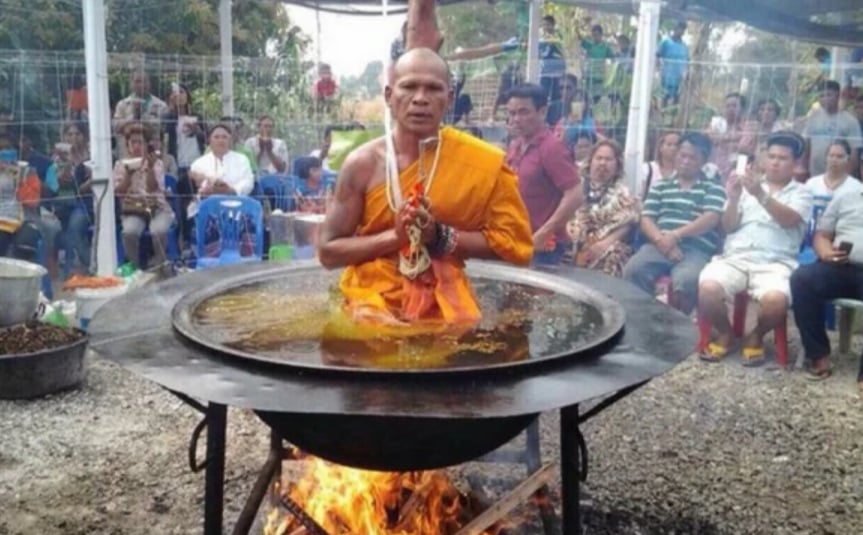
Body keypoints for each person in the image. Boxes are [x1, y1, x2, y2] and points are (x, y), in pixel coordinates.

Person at [317, 48, 533, 325]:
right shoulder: (362, 164)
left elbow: (515, 246)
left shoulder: (481, 162)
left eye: (433, 89)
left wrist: (440, 236)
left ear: (449, 98)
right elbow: (328, 253)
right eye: (408, 87)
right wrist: (396, 238)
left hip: (445, 304)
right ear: (389, 96)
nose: (420, 99)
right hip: (370, 304)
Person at [697, 132, 812, 365]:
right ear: (763, 159)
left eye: (783, 158)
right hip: (736, 257)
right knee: (707, 288)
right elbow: (727, 227)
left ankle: (756, 335)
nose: (775, 162)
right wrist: (734, 198)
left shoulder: (802, 192)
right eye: (771, 156)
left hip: (776, 262)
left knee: (776, 301)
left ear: (795, 163)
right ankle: (726, 332)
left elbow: (789, 219)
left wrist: (759, 194)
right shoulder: (745, 187)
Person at [623, 132, 725, 314]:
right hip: (659, 246)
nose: (685, 161)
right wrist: (663, 242)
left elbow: (711, 218)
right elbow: (646, 219)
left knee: (686, 281)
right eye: (682, 155)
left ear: (703, 161)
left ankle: (677, 327)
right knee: (634, 269)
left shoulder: (713, 187)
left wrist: (676, 235)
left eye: (692, 157)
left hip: (696, 250)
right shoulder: (661, 185)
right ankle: (641, 320)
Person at [790, 187, 863, 388]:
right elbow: (822, 235)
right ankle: (818, 355)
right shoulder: (846, 196)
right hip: (841, 265)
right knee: (803, 279)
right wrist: (826, 253)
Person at [505, 83, 583, 265]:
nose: (516, 119)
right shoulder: (515, 147)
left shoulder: (551, 148)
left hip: (544, 248)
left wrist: (545, 232)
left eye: (523, 112)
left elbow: (575, 195)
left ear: (542, 112)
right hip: (516, 241)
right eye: (512, 113)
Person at [566, 140, 640, 276]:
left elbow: (627, 224)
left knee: (615, 254)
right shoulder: (575, 186)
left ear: (617, 164)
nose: (602, 163)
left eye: (608, 159)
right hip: (572, 241)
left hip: (605, 245)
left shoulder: (623, 193)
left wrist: (605, 243)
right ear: (591, 161)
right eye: (599, 158)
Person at [114, 124, 174, 271]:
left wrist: (150, 168)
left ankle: (161, 267)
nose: (136, 146)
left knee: (158, 231)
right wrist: (128, 175)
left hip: (157, 207)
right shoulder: (120, 165)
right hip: (133, 209)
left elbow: (152, 188)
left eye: (140, 142)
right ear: (127, 145)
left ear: (147, 145)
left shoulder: (157, 163)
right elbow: (118, 192)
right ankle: (133, 268)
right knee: (129, 232)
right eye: (132, 142)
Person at [44, 122, 93, 273]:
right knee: (57, 232)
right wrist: (63, 167)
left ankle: (91, 265)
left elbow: (86, 187)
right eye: (69, 134)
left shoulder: (92, 157)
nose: (73, 138)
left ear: (84, 136)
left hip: (85, 205)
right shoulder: (58, 159)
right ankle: (74, 265)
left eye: (77, 134)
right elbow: (53, 185)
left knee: (74, 228)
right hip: (62, 205)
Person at [188, 124, 255, 220]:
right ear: (209, 141)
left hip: (238, 209)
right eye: (216, 137)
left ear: (230, 140)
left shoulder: (242, 159)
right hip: (208, 211)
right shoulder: (198, 163)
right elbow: (196, 188)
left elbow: (248, 182)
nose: (220, 140)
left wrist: (232, 191)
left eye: (224, 137)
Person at [803, 80, 863, 179]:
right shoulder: (813, 117)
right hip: (814, 177)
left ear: (837, 95)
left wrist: (843, 178)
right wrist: (803, 169)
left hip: (839, 178)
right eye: (821, 96)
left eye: (828, 95)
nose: (824, 99)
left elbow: (854, 156)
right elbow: (806, 146)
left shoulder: (850, 121)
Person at [804, 140, 863, 237]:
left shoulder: (856, 187)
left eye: (839, 156)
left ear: (848, 159)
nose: (834, 160)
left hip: (843, 235)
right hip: (811, 235)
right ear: (826, 158)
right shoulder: (811, 183)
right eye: (831, 155)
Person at [112, 71, 168, 159]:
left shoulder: (160, 105)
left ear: (149, 83)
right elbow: (115, 127)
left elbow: (163, 128)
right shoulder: (122, 105)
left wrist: (144, 115)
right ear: (131, 83)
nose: (142, 84)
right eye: (138, 81)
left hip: (152, 153)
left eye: (145, 81)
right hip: (127, 154)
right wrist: (132, 116)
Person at [705, 92, 755, 181]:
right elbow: (709, 137)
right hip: (712, 169)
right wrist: (736, 139)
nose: (730, 109)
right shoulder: (717, 123)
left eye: (734, 106)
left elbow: (744, 148)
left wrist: (721, 139)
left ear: (742, 109)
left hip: (737, 169)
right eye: (727, 106)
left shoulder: (747, 126)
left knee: (736, 183)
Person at [638, 131, 680, 200]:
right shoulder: (647, 169)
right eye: (669, 144)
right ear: (661, 148)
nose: (673, 148)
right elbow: (638, 196)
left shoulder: (684, 173)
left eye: (676, 145)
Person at [579, 24, 615, 104]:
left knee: (596, 99)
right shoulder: (590, 45)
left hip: (599, 77)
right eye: (593, 35)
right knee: (586, 99)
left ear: (601, 35)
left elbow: (612, 59)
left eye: (596, 35)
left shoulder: (606, 47)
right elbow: (581, 39)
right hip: (589, 76)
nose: (594, 37)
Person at [657, 21, 689, 108]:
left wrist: (685, 74)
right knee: (665, 97)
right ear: (675, 29)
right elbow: (658, 55)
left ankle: (673, 119)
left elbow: (687, 61)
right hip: (666, 75)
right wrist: (659, 70)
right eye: (680, 29)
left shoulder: (684, 46)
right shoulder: (666, 42)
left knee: (676, 98)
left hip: (678, 77)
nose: (681, 31)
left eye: (683, 30)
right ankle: (662, 117)